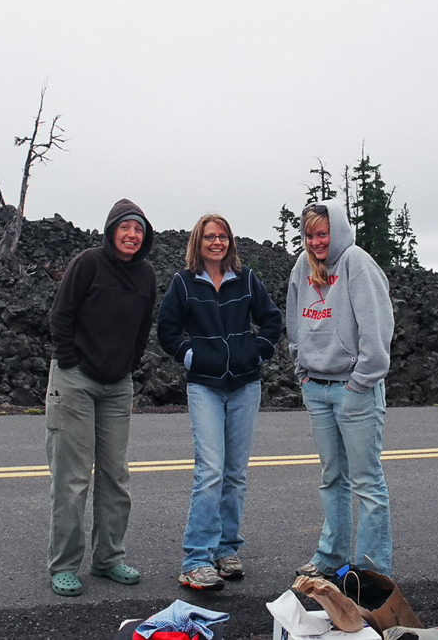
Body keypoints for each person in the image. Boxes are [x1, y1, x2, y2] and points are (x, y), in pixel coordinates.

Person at [157, 214, 283, 591]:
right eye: (210, 237)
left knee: (235, 473)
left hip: (245, 385)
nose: (217, 242)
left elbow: (272, 320)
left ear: (230, 241)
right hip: (205, 387)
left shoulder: (245, 280)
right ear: (198, 241)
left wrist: (256, 352)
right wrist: (191, 356)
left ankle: (226, 550)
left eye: (223, 236)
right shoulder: (183, 282)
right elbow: (166, 330)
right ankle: (195, 559)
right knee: (210, 471)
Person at [45, 198, 157, 598]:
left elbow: (145, 327)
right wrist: (72, 361)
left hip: (117, 385)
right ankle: (64, 566)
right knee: (72, 478)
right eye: (125, 228)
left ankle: (108, 558)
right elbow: (61, 315)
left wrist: (128, 364)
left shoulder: (146, 275)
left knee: (115, 476)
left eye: (138, 230)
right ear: (111, 231)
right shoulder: (88, 263)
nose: (131, 235)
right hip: (75, 381)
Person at [286, 198, 395, 577]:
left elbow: (377, 329)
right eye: (310, 235)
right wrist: (302, 370)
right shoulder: (303, 266)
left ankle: (370, 572)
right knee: (332, 478)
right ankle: (330, 557)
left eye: (323, 233)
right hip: (316, 387)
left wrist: (360, 382)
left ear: (337, 230)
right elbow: (294, 320)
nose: (316, 242)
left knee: (367, 482)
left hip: (355, 390)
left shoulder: (357, 264)